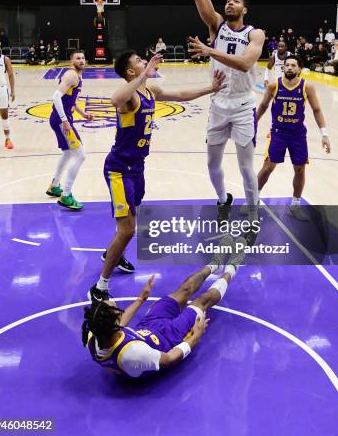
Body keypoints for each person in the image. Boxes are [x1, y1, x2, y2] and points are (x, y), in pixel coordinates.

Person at [88, 51, 226, 303]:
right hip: (119, 169)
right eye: (140, 61)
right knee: (127, 229)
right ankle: (100, 285)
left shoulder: (150, 91)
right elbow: (113, 99)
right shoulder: (130, 97)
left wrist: (211, 88)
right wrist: (143, 73)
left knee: (130, 223)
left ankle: (111, 253)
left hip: (137, 168)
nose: (145, 62)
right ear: (131, 72)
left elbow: (182, 95)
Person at [175, 0, 265, 221]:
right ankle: (222, 197)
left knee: (245, 166)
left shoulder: (256, 34)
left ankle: (252, 211)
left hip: (242, 106)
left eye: (236, 0)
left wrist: (210, 51)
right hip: (218, 105)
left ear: (245, 10)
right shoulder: (216, 25)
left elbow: (244, 64)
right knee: (212, 164)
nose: (230, 2)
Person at [83, 242, 244, 378]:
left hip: (147, 327)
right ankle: (231, 268)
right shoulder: (133, 354)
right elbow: (169, 359)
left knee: (184, 290)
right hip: (170, 338)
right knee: (202, 301)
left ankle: (213, 264)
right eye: (116, 311)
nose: (118, 308)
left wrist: (141, 299)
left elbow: (121, 323)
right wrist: (194, 338)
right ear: (113, 325)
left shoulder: (95, 336)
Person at [257, 55, 331, 220]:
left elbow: (317, 110)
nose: (289, 67)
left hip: (297, 134)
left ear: (299, 69)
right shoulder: (274, 85)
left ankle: (295, 205)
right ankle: (252, 200)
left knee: (299, 169)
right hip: (278, 133)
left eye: (293, 65)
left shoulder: (307, 87)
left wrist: (324, 134)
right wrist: (252, 125)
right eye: (287, 65)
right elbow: (262, 106)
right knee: (268, 167)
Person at [47, 50, 93, 210]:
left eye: (83, 57)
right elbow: (56, 96)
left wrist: (82, 113)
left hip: (60, 118)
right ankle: (66, 195)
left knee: (68, 153)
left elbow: (70, 100)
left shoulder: (77, 76)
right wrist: (65, 121)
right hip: (61, 119)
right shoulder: (71, 75)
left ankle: (54, 186)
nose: (81, 60)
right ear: (71, 61)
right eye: (77, 58)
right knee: (80, 155)